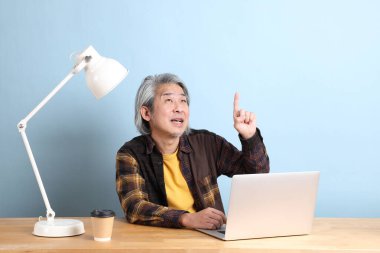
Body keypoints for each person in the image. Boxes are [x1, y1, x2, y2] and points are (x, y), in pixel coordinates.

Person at [116, 73, 269, 229]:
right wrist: (185, 219)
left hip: (210, 241)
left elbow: (257, 177)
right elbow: (134, 207)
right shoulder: (130, 154)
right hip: (160, 242)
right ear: (147, 113)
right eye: (169, 100)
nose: (179, 108)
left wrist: (250, 136)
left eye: (183, 101)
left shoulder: (207, 143)